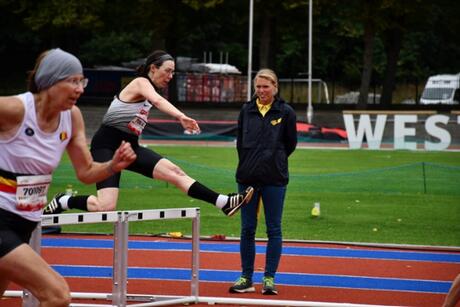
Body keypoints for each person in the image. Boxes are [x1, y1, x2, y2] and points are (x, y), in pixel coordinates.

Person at [0, 48, 136, 306]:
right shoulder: (14, 109)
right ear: (50, 81)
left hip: (25, 223)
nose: (80, 88)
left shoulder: (71, 117)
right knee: (57, 295)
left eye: (81, 81)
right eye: (73, 81)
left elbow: (86, 173)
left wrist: (112, 166)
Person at [45, 50, 254, 217]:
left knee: (176, 173)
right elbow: (158, 101)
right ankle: (64, 201)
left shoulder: (149, 88)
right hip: (106, 146)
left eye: (173, 72)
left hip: (130, 148)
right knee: (105, 206)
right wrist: (181, 116)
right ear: (152, 68)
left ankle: (224, 203)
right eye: (168, 71)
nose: (170, 77)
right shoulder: (140, 83)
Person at [229, 68, 297, 295]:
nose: (261, 91)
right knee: (247, 229)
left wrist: (273, 160)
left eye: (266, 86)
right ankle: (246, 278)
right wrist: (250, 163)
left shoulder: (286, 112)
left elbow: (290, 144)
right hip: (247, 178)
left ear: (275, 87)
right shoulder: (246, 110)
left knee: (274, 229)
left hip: (274, 179)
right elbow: (240, 142)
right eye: (258, 86)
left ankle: (269, 278)